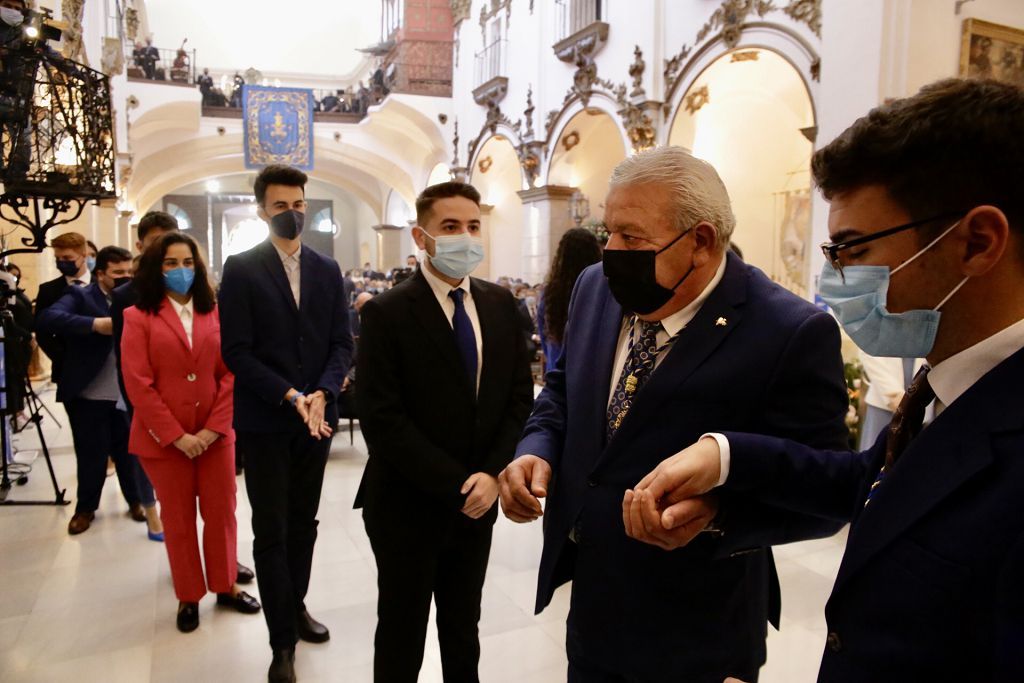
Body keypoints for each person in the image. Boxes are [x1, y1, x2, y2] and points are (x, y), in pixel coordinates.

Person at [623, 78, 1024, 682]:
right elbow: (865, 483)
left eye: (852, 248)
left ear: (977, 242)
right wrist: (724, 455)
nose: (833, 276)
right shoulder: (947, 385)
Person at [498, 146, 850, 682]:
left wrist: (719, 513)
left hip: (699, 625)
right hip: (594, 603)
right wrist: (535, 448)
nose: (611, 251)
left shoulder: (787, 331)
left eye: (631, 237)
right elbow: (566, 390)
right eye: (608, 232)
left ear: (701, 242)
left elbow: (825, 494)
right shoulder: (597, 287)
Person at [355, 181, 534, 682]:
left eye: (473, 226)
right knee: (401, 632)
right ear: (421, 235)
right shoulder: (388, 312)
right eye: (450, 227)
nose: (465, 237)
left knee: (463, 627)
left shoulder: (500, 305)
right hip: (407, 503)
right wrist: (461, 482)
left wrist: (493, 473)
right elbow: (382, 418)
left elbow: (520, 397)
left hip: (478, 501)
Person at [218, 164, 352, 683]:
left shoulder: (325, 268)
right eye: (281, 206)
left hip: (315, 420)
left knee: (305, 523)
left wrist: (324, 390)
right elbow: (237, 352)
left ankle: (295, 604)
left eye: (299, 205)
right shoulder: (243, 268)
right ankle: (281, 644)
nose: (292, 214)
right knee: (270, 529)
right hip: (267, 419)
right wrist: (289, 393)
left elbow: (341, 342)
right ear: (262, 210)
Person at [121, 232, 260, 633]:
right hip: (164, 441)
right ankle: (188, 594)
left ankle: (226, 585)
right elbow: (138, 383)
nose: (180, 271)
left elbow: (232, 371)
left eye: (187, 263)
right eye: (170, 263)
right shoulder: (137, 317)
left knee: (221, 516)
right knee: (178, 521)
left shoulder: (217, 311)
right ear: (155, 268)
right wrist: (177, 435)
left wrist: (215, 428)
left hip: (216, 437)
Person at [37, 246, 149, 534]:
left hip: (127, 393)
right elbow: (49, 318)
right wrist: (95, 325)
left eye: (129, 272)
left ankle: (137, 501)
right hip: (90, 392)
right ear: (100, 274)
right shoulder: (81, 296)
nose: (125, 278)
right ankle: (86, 508)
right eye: (117, 273)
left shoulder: (138, 297)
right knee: (91, 454)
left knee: (130, 452)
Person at [111, 211, 180, 542]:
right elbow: (124, 356)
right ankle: (151, 510)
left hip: (183, 392)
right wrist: (137, 403)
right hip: (145, 394)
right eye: (157, 242)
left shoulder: (189, 288)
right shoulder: (127, 295)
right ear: (140, 245)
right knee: (145, 455)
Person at [537, 227, 602, 373]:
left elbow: (544, 334)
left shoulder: (550, 293)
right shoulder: (600, 289)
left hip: (557, 367)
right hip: (591, 371)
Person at [34, 232, 90, 386]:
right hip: (66, 368)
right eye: (57, 259)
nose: (61, 263)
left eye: (67, 258)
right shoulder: (48, 290)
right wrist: (63, 358)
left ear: (83, 255)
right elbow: (42, 332)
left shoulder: (100, 284)